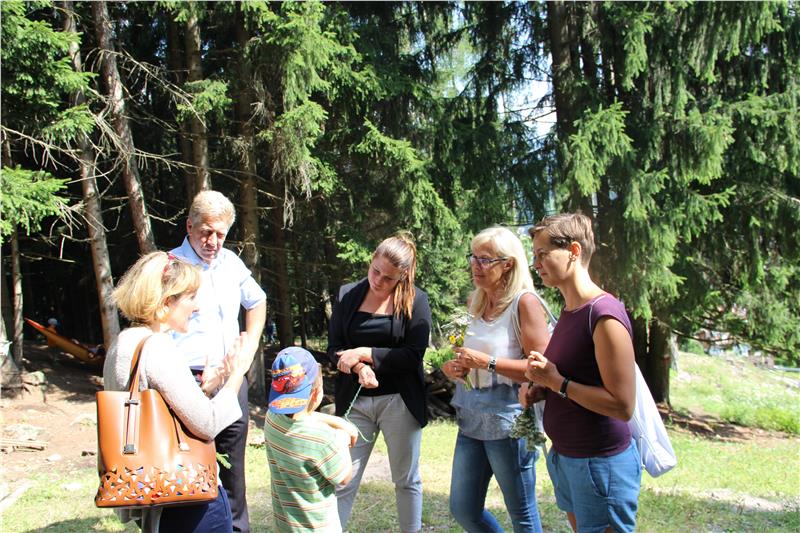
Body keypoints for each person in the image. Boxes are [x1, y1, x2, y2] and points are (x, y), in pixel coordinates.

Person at [103, 251, 253, 532]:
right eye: (191, 297)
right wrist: (237, 374)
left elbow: (156, 411)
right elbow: (207, 424)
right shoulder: (158, 347)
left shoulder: (123, 344)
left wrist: (204, 389)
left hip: (153, 496)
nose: (196, 307)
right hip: (186, 498)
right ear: (165, 301)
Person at [522, 212, 640, 533]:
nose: (536, 263)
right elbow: (576, 377)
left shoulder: (604, 314)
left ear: (573, 251)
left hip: (601, 464)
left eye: (543, 254)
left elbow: (622, 405)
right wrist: (542, 388)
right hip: (567, 458)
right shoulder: (570, 310)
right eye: (534, 255)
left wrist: (556, 382)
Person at [441, 226, 550, 533]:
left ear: (508, 264)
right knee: (463, 509)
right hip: (471, 418)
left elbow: (541, 369)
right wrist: (454, 368)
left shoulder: (525, 303)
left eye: (485, 259)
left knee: (522, 514)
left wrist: (486, 363)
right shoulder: (475, 301)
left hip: (509, 423)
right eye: (473, 257)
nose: (475, 265)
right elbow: (467, 356)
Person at [171, 190, 267, 533]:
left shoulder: (231, 263)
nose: (213, 242)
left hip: (231, 380)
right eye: (206, 233)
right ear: (190, 226)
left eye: (221, 234)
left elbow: (257, 301)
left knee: (234, 472)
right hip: (185, 381)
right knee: (189, 469)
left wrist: (249, 348)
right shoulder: (170, 265)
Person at [327, 232, 431, 533]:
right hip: (356, 400)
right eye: (376, 271)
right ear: (372, 259)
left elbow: (413, 355)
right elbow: (335, 348)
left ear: (403, 276)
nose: (378, 281)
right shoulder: (348, 294)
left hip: (400, 401)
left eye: (388, 278)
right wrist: (359, 367)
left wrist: (365, 353)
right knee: (343, 478)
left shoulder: (416, 300)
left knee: (406, 479)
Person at [264, 346, 358, 532]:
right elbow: (344, 477)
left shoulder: (271, 419)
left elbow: (304, 418)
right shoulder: (323, 438)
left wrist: (339, 422)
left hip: (285, 526)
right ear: (316, 392)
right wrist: (342, 437)